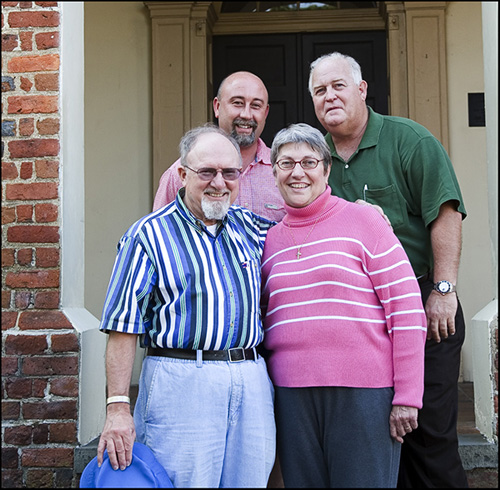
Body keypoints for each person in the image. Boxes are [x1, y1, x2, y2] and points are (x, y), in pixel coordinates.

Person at [308, 51, 469, 488]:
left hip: (422, 305)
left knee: (427, 434)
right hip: (359, 323)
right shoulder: (314, 159)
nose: (329, 96)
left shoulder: (409, 140)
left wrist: (443, 289)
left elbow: (445, 213)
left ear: (362, 89)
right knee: (378, 437)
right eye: (320, 91)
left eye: (338, 85)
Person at [96, 124, 276, 488]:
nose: (219, 183)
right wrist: (117, 406)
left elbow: (306, 230)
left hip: (251, 376)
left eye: (229, 173)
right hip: (181, 380)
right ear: (181, 174)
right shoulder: (148, 236)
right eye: (206, 172)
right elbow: (122, 327)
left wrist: (360, 214)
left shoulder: (254, 231)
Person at [260, 123, 427, 488]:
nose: (297, 172)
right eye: (286, 163)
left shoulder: (364, 220)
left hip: (364, 395)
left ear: (327, 168)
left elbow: (407, 309)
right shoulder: (268, 240)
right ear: (273, 172)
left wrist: (408, 395)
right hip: (291, 396)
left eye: (309, 161)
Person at [153, 70, 286, 222]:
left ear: (266, 113)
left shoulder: (285, 171)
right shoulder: (181, 174)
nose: (246, 115)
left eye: (256, 106)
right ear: (217, 107)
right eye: (237, 103)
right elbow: (159, 233)